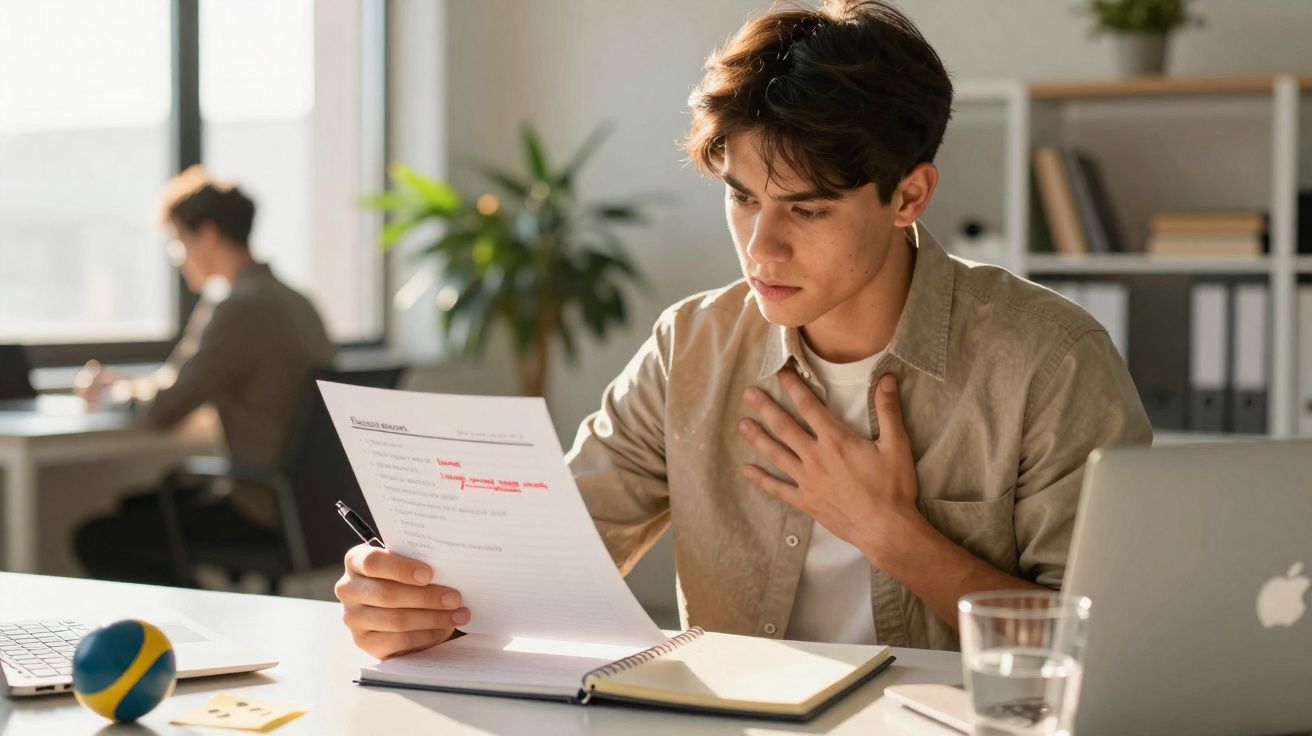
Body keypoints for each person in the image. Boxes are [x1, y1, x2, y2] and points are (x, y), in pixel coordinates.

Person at [335, 0, 1152, 657]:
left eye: (807, 208)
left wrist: (889, 532)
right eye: (741, 197)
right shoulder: (691, 344)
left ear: (908, 195)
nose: (762, 248)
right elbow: (552, 556)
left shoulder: (1050, 360)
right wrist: (414, 597)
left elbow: (1099, 647)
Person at [74, 166, 335, 586]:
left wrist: (107, 394)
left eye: (178, 242)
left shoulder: (239, 307)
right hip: (311, 509)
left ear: (208, 235)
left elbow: (164, 408)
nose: (177, 258)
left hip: (260, 506)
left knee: (99, 537)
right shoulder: (299, 303)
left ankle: (203, 617)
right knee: (136, 509)